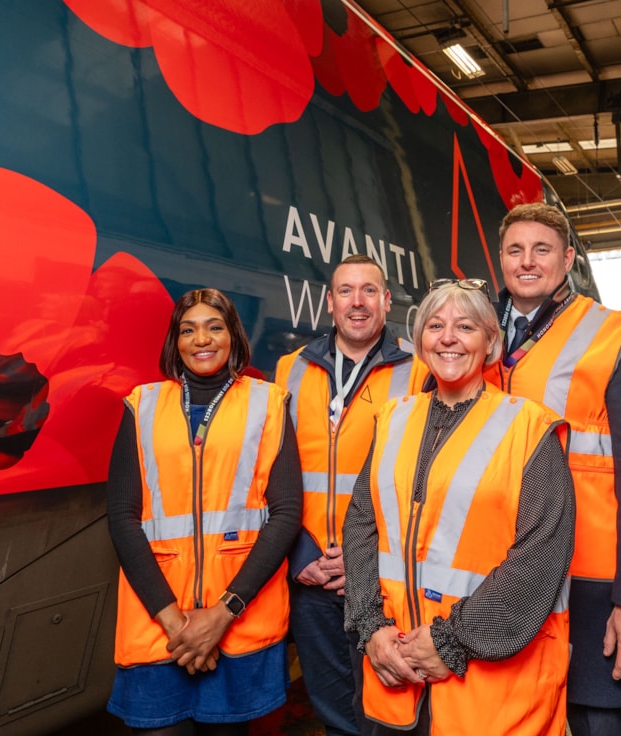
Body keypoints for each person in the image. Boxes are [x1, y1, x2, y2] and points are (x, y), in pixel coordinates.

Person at [343, 279, 576, 736]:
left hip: (488, 693)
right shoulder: (393, 418)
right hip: (394, 668)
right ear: (421, 340)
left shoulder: (529, 428)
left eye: (465, 326)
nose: (447, 337)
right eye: (435, 325)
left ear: (490, 340)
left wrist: (450, 642)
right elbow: (361, 523)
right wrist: (371, 628)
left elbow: (541, 555)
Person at [487, 203, 621, 736]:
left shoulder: (618, 336)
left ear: (568, 258)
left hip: (590, 583)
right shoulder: (472, 334)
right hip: (495, 580)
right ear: (500, 259)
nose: (528, 262)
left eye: (542, 249)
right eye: (515, 250)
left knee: (600, 722)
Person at [106, 288, 303, 736]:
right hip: (158, 626)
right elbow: (122, 517)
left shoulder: (269, 403)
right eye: (188, 329)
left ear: (233, 336)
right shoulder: (142, 406)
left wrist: (221, 615)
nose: (202, 340)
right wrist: (177, 624)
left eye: (215, 327)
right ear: (174, 341)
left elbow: (286, 514)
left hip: (236, 622)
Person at [274, 254, 426, 736]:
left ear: (386, 301)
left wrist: (367, 561)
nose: (356, 303)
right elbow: (271, 475)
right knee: (333, 708)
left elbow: (427, 480)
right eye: (345, 291)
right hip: (312, 575)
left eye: (368, 291)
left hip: (385, 577)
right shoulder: (290, 370)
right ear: (329, 302)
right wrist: (301, 556)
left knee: (394, 709)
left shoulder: (419, 369)